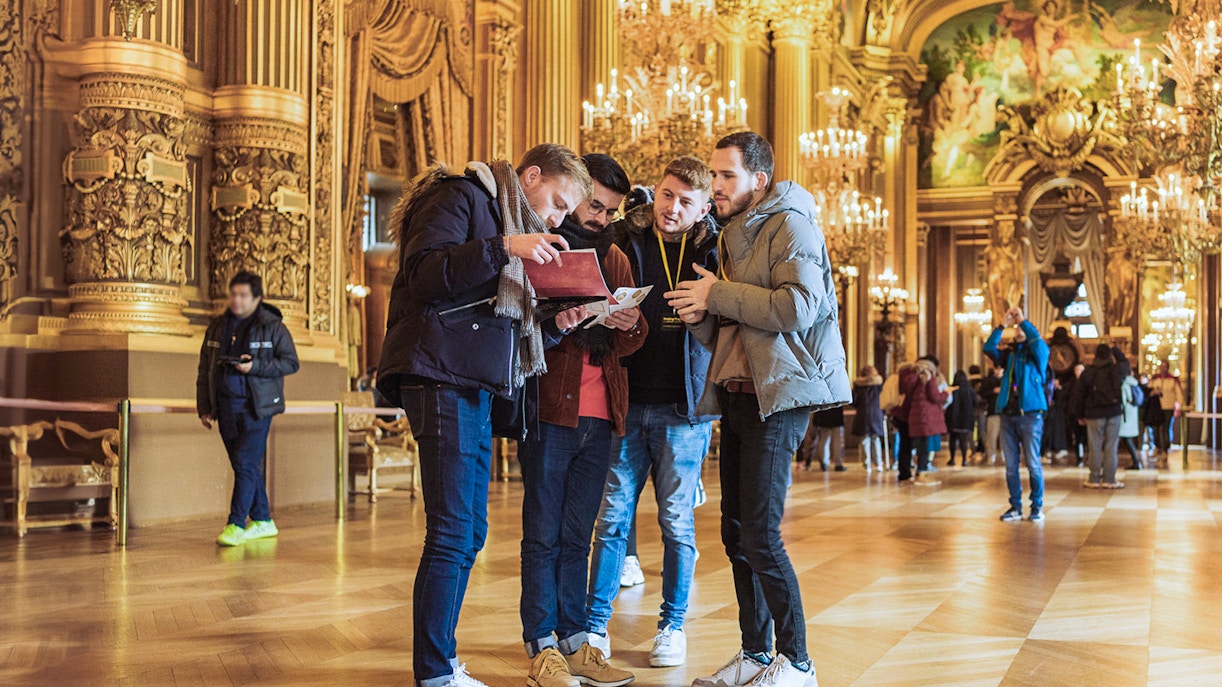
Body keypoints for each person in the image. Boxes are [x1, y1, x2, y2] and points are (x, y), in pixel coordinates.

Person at [376, 144, 609, 687]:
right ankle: (434, 673)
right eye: (554, 203)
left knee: (471, 530)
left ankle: (442, 664)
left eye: (563, 214)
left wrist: (559, 324)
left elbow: (504, 330)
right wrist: (506, 246)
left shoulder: (511, 228)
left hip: (473, 382)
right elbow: (424, 274)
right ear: (529, 177)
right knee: (453, 531)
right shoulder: (459, 195)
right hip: (439, 374)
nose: (555, 220)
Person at [666, 131, 851, 687]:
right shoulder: (730, 235)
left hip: (782, 397)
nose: (714, 186)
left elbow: (798, 307)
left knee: (761, 535)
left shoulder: (791, 223)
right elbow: (733, 331)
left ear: (759, 181)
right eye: (713, 174)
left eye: (726, 176)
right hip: (741, 393)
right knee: (734, 531)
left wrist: (718, 295)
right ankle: (755, 653)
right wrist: (700, 314)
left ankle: (797, 663)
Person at [586, 156, 719, 669]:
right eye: (667, 195)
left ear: (703, 207)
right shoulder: (626, 239)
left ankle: (673, 625)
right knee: (612, 519)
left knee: (677, 524)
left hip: (685, 411)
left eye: (686, 201)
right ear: (656, 192)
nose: (672, 208)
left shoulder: (714, 249)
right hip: (627, 401)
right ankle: (596, 627)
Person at [517, 153, 642, 687]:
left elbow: (631, 342)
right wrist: (562, 317)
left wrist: (629, 320)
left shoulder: (614, 256)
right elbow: (519, 318)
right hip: (551, 409)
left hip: (602, 414)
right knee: (542, 533)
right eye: (594, 205)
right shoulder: (541, 241)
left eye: (610, 211)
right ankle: (541, 642)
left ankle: (575, 639)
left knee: (577, 534)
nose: (600, 218)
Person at [197, 271, 299, 547]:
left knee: (244, 463)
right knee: (246, 466)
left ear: (256, 298)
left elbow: (291, 362)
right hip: (225, 407)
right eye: (234, 294)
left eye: (243, 295)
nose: (236, 300)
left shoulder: (272, 326)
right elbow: (205, 367)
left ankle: (235, 524)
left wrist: (254, 366)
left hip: (257, 408)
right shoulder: (218, 326)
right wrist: (204, 407)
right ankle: (264, 520)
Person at [984, 307, 1050, 523]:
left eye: (1022, 329)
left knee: (1032, 462)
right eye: (1017, 329)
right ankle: (1015, 506)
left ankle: (1037, 506)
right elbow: (988, 347)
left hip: (1030, 415)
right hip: (1008, 415)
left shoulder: (1037, 356)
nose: (1018, 330)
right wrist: (1002, 325)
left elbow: (1038, 343)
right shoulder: (1009, 356)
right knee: (1011, 465)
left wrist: (1023, 321)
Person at [1072, 344, 1131, 489]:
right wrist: (1116, 349)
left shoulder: (1088, 372)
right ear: (1109, 355)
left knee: (1094, 446)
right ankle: (1109, 480)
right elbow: (1125, 364)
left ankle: (1094, 479)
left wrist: (1079, 415)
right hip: (1113, 412)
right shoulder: (1116, 370)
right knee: (1111, 446)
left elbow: (1079, 395)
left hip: (1094, 413)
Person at [902, 359, 947, 485]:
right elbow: (935, 397)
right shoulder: (929, 378)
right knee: (925, 448)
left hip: (915, 417)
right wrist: (946, 394)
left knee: (918, 447)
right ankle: (922, 473)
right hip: (927, 418)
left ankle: (919, 472)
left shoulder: (911, 380)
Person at [1147, 361, 1184, 468]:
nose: (1162, 369)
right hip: (1156, 408)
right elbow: (1148, 390)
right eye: (1161, 367)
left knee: (1165, 428)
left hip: (1168, 407)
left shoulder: (1172, 380)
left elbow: (1178, 393)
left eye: (1165, 366)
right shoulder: (1155, 379)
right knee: (1155, 428)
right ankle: (1157, 447)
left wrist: (1179, 406)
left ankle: (1165, 450)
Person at [851, 365, 887, 472]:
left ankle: (866, 464)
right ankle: (878, 463)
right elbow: (884, 399)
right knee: (875, 439)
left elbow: (854, 401)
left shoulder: (858, 386)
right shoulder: (879, 385)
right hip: (877, 414)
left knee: (864, 440)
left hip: (863, 415)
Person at [945, 370, 977, 467]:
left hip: (953, 418)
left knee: (953, 439)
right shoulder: (970, 390)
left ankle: (952, 458)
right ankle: (964, 459)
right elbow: (976, 402)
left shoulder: (952, 389)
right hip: (966, 419)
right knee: (964, 440)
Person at [800, 407, 846, 472]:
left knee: (824, 440)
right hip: (836, 415)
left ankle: (824, 463)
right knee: (837, 442)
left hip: (823, 416)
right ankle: (838, 464)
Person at [1120, 364, 1145, 471]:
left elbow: (1123, 401)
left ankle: (1136, 461)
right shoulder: (1135, 384)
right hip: (1132, 415)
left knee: (1124, 439)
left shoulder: (1124, 385)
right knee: (1127, 439)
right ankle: (1136, 461)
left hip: (1125, 416)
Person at [979, 363, 1003, 464]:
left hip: (1005, 412)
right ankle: (991, 455)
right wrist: (993, 391)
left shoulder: (1007, 380)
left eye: (999, 369)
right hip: (993, 411)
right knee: (992, 436)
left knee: (1004, 437)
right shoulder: (988, 381)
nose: (997, 371)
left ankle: (1004, 455)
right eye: (996, 369)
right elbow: (982, 393)